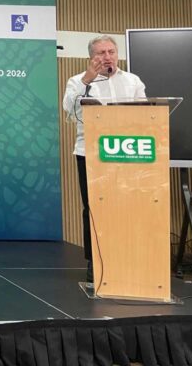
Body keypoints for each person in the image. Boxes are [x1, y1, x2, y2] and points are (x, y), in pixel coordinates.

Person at [62, 35, 146, 283]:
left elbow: (146, 114)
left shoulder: (132, 81)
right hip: (90, 153)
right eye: (101, 53)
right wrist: (87, 80)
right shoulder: (78, 81)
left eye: (111, 51)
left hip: (127, 152)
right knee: (94, 209)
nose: (107, 57)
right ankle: (95, 261)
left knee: (126, 206)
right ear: (91, 57)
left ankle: (127, 257)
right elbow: (69, 111)